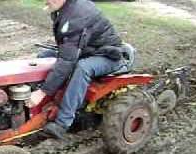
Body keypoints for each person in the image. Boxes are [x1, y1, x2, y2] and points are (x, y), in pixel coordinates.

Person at [27, 0, 128, 139]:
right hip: (89, 50)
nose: (46, 1)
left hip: (109, 55)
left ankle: (62, 123)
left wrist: (43, 92)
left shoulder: (76, 15)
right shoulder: (66, 7)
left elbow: (68, 60)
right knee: (44, 56)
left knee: (83, 67)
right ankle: (36, 105)